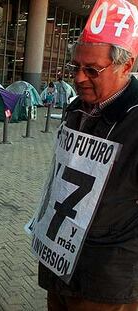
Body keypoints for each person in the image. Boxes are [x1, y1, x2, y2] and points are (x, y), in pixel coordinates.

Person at [38, 0, 138, 310]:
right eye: (75, 67)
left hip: (106, 274)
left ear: (126, 66)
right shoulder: (77, 107)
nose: (79, 78)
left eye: (92, 70)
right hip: (60, 257)